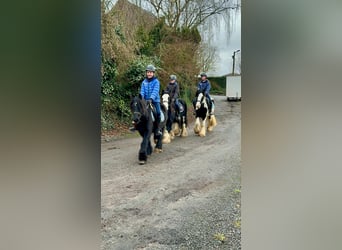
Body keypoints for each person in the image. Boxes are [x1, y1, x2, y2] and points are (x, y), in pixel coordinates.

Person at [140, 64, 162, 136]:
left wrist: (151, 98)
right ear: (146, 73)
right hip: (145, 101)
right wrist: (141, 98)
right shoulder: (144, 82)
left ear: (153, 73)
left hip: (155, 101)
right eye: (148, 72)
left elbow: (155, 91)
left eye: (151, 72)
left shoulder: (156, 82)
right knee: (139, 111)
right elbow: (142, 91)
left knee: (158, 112)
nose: (149, 74)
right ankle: (137, 126)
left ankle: (158, 128)